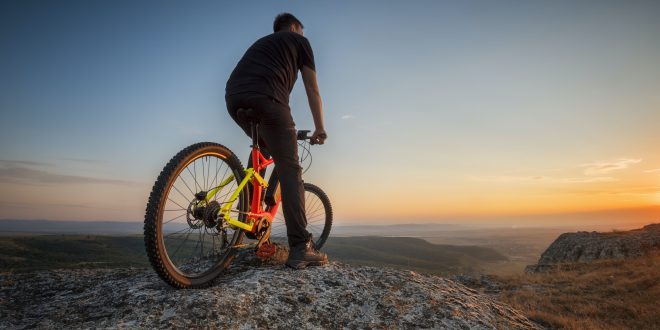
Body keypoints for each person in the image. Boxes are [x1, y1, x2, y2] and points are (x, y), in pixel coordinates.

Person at [225, 13, 328, 269]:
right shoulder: (299, 41)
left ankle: (251, 211)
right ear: (294, 28)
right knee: (290, 169)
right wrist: (319, 128)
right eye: (301, 32)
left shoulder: (264, 43)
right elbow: (312, 89)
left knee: (263, 148)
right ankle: (300, 247)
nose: (302, 36)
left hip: (234, 97)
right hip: (268, 100)